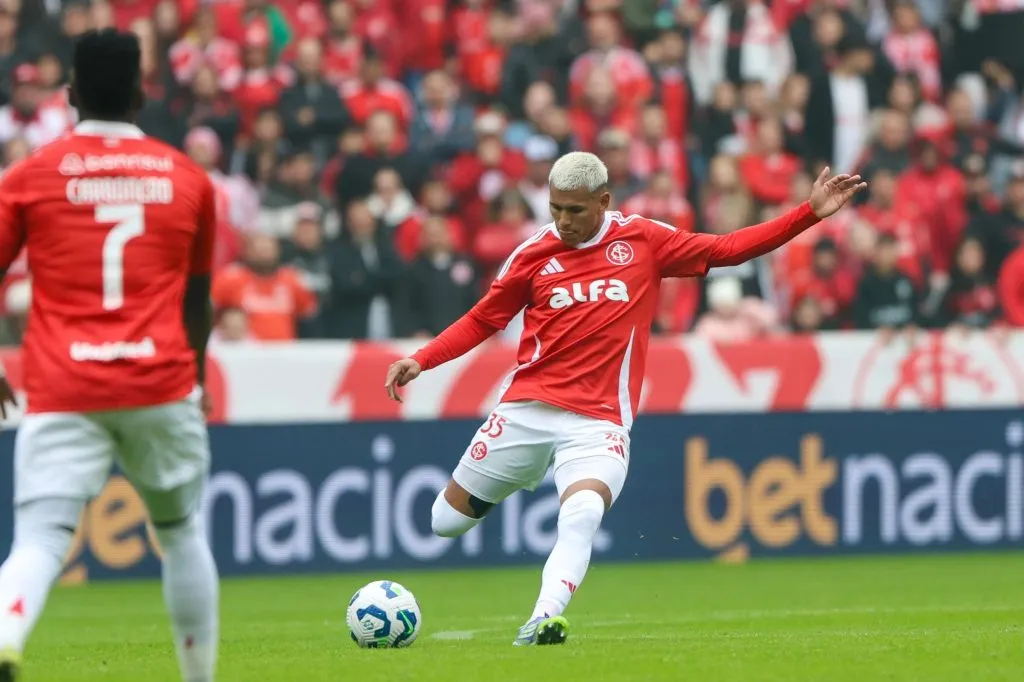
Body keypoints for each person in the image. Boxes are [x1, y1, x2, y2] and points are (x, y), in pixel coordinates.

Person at [384, 152, 865, 646]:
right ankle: (508, 485)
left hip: (599, 421)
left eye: (575, 210)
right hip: (526, 410)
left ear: (603, 200)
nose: (563, 221)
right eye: (555, 209)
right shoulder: (532, 254)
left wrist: (806, 214)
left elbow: (728, 249)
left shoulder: (643, 240)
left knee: (583, 512)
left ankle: (543, 617)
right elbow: (484, 319)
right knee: (444, 524)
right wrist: (422, 359)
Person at [0, 31, 218, 682]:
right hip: (159, 382)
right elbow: (197, 302)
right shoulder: (189, 179)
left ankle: (5, 637)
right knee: (180, 534)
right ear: (140, 93)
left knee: (39, 539)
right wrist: (196, 381)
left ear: (70, 95)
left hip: (66, 383)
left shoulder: (30, 177)